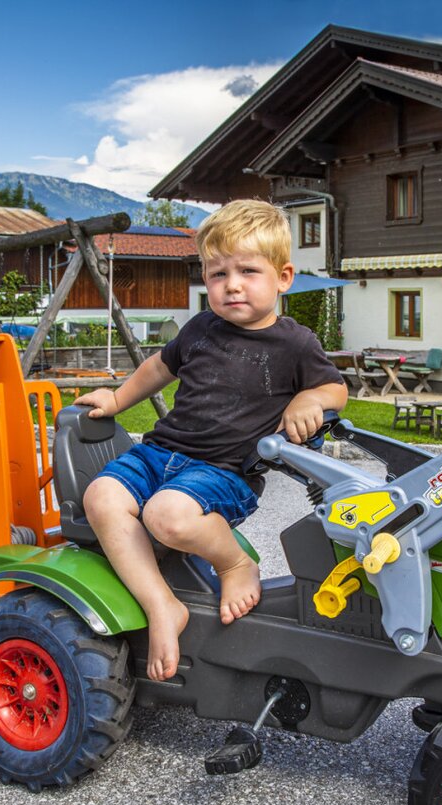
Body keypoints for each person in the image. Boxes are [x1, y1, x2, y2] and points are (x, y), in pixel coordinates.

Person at [76, 199, 347, 682]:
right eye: (218, 274)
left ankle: (236, 563)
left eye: (248, 270)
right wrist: (118, 400)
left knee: (166, 516)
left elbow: (336, 390)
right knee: (100, 495)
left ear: (283, 277)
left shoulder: (295, 343)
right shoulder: (201, 328)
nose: (232, 284)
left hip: (223, 471)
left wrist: (310, 400)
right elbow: (160, 367)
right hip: (160, 452)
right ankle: (161, 604)